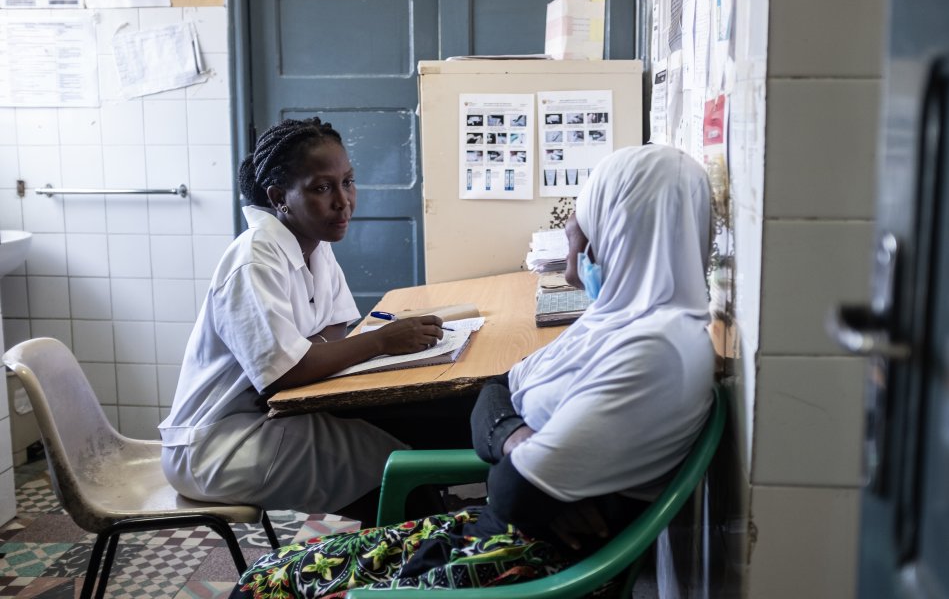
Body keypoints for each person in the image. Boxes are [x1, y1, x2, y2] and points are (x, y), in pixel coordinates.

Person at [231, 144, 716, 597]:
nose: (573, 267)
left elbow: (508, 485)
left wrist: (516, 462)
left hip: (514, 563)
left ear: (622, 236)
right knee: (276, 566)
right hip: (495, 532)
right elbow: (496, 389)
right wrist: (519, 448)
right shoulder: (620, 322)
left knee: (267, 583)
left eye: (581, 237)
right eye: (322, 187)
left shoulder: (653, 350)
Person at [159, 117, 447, 524]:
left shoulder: (313, 243)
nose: (343, 201)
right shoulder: (255, 259)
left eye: (348, 182)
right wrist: (381, 341)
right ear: (280, 197)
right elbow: (284, 374)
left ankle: (401, 553)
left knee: (401, 451)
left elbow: (333, 332)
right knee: (398, 469)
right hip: (218, 445)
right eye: (321, 188)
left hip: (274, 416)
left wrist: (324, 352)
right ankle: (404, 562)